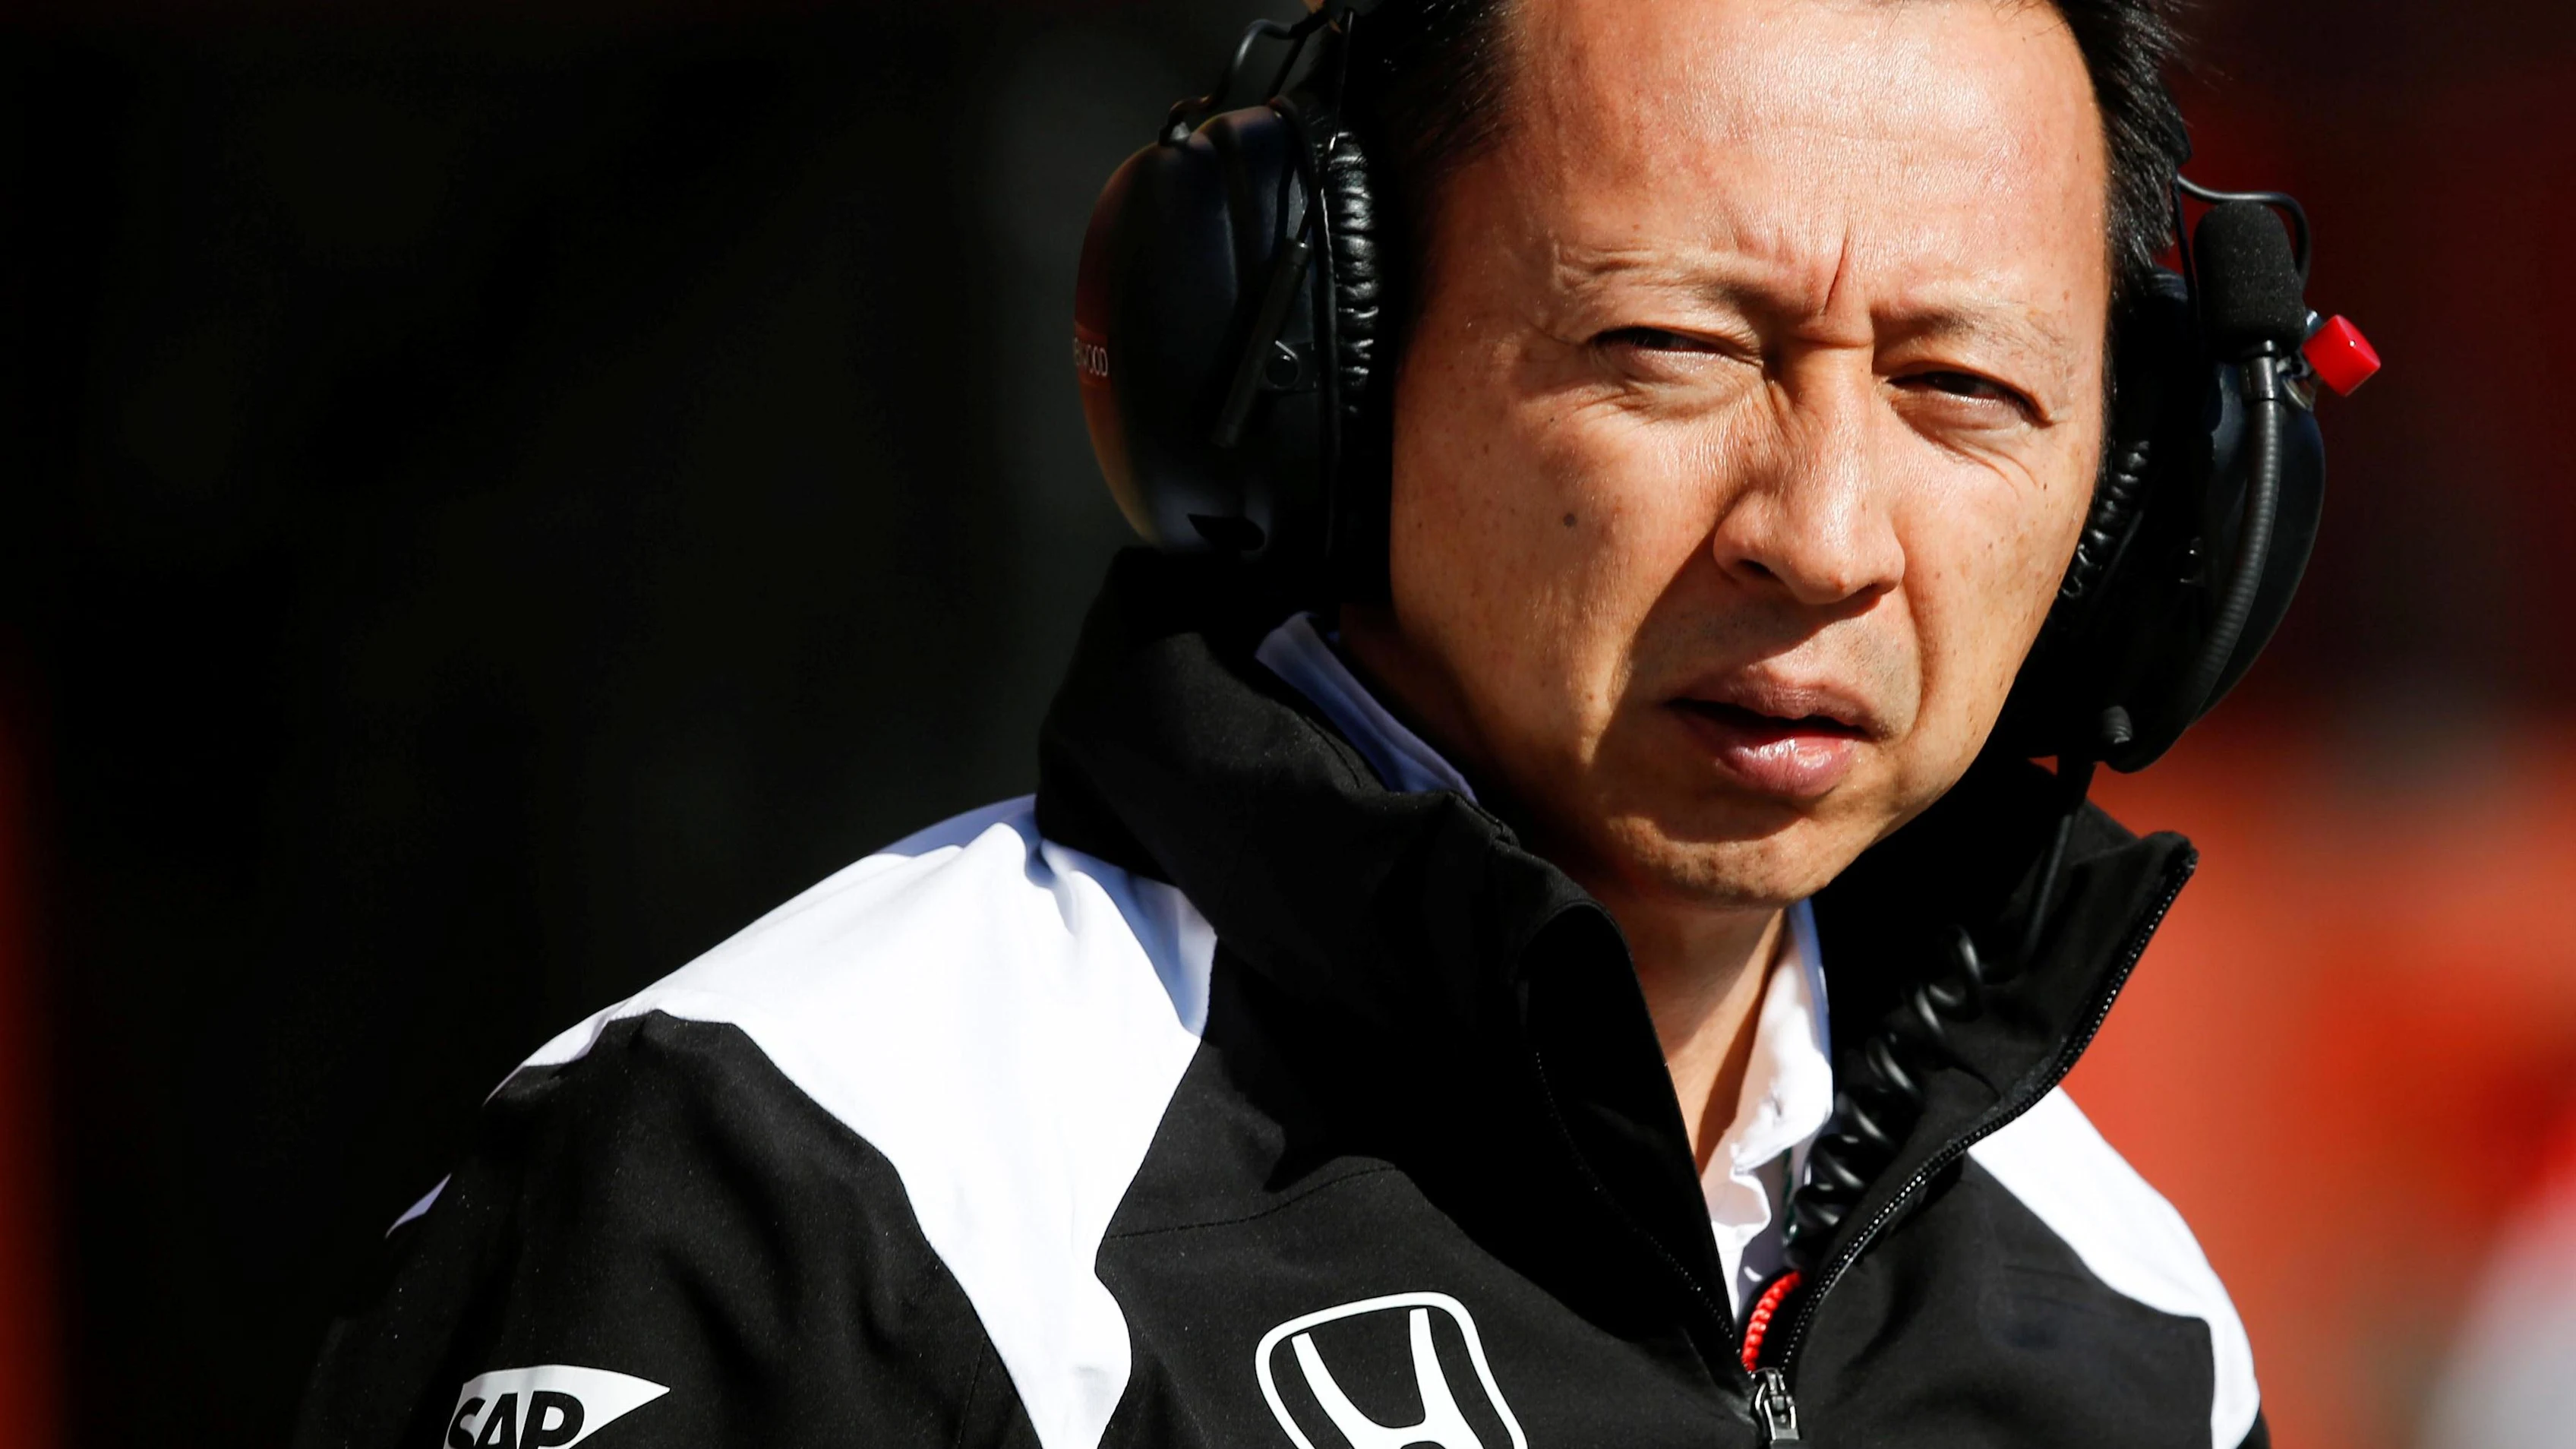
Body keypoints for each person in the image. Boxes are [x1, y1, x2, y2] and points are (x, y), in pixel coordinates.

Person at [295, 0, 2347, 1444]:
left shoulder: (2131, 1329)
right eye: (1662, 352)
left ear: (2154, 496)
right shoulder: (806, 1191)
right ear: (1303, 374)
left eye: (1964, 388)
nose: (1822, 534)